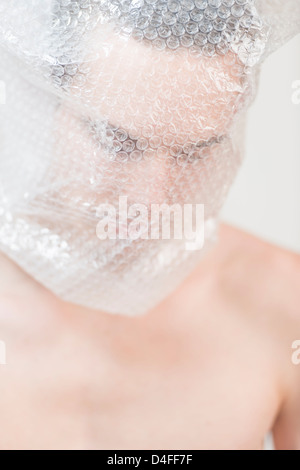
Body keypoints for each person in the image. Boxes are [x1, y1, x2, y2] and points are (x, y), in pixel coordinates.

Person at [0, 0, 299, 449]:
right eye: (116, 141)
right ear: (44, 101)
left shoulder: (281, 304)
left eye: (195, 151)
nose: (151, 200)